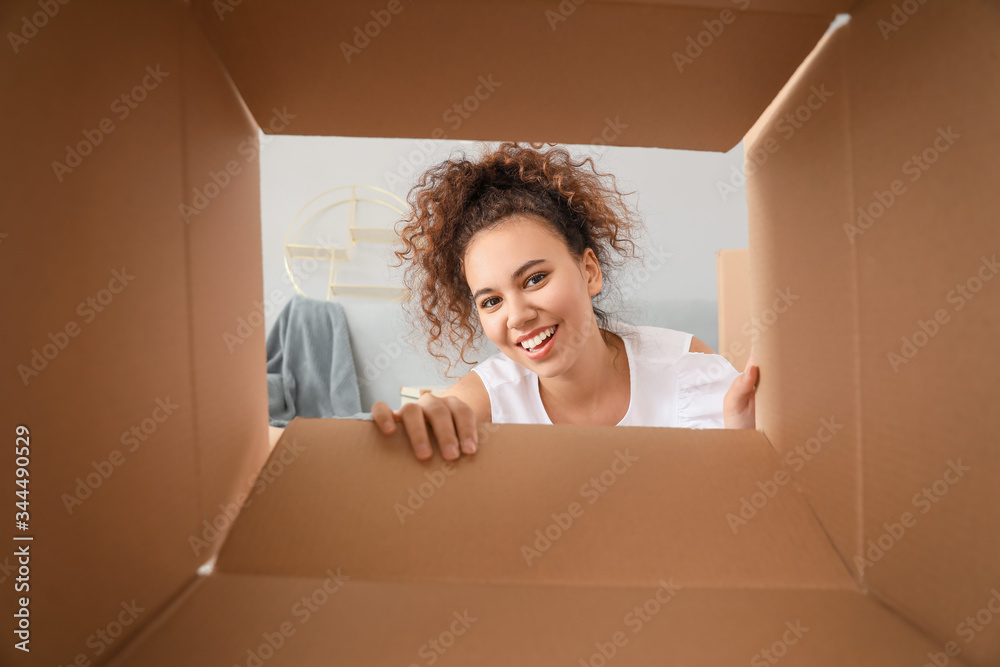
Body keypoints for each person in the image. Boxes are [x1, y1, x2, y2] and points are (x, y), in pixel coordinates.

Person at [371, 141, 758, 461]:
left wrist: (746, 437)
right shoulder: (487, 399)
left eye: (535, 279)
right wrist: (424, 424)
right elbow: (433, 424)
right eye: (491, 302)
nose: (518, 316)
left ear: (589, 271)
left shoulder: (685, 370)